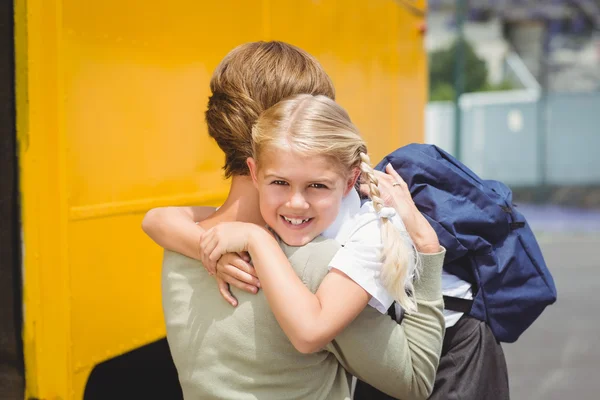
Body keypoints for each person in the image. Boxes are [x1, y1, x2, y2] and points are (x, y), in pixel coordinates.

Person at [148, 41, 446, 399]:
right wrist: (428, 253)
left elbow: (161, 219)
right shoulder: (321, 266)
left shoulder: (183, 245)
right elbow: (413, 381)